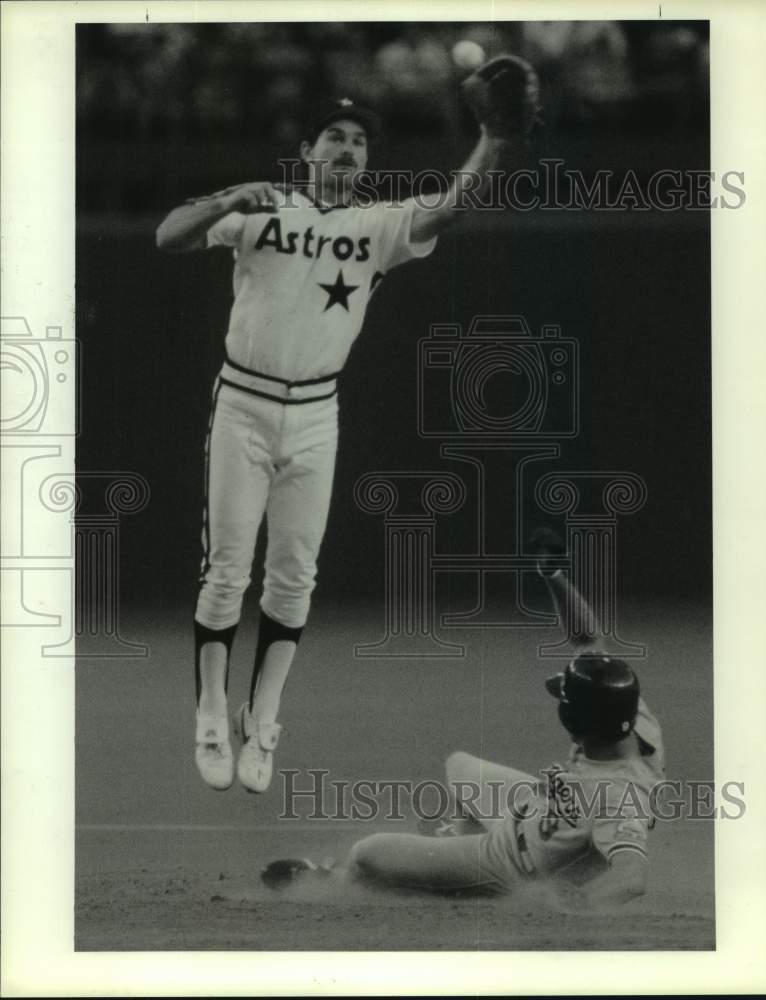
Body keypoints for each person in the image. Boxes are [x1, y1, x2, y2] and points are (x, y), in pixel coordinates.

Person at [156, 59, 540, 794]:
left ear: (366, 162)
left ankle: (261, 720)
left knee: (294, 576)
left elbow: (455, 205)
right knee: (226, 572)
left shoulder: (378, 224)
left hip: (314, 413)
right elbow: (169, 235)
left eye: (358, 143)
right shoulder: (262, 208)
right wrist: (225, 200)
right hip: (241, 401)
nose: (345, 149)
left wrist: (494, 136)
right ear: (306, 152)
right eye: (332, 137)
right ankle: (210, 710)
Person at [262, 530, 665, 909]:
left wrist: (566, 905)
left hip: (509, 864)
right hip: (534, 810)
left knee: (367, 852)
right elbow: (587, 641)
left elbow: (632, 877)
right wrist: (554, 575)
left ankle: (345, 879)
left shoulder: (618, 797)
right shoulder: (628, 713)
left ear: (582, 721)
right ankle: (447, 854)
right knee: (460, 767)